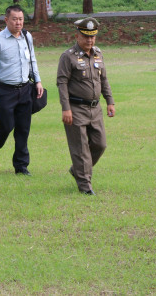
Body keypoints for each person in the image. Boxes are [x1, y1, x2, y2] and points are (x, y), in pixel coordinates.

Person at [56, 17, 116, 196]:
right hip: (76, 108)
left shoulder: (98, 53)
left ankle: (77, 170)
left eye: (93, 37)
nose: (90, 40)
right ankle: (85, 186)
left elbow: (103, 79)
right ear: (77, 36)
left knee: (100, 144)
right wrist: (65, 108)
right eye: (86, 37)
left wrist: (110, 101)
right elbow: (62, 83)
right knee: (80, 148)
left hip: (95, 108)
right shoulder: (68, 57)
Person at [0, 4, 44, 175]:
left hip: (25, 88)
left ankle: (21, 165)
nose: (18, 23)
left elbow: (32, 60)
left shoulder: (27, 36)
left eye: (21, 19)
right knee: (6, 126)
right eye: (14, 19)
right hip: (5, 90)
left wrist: (38, 81)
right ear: (6, 20)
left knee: (23, 128)